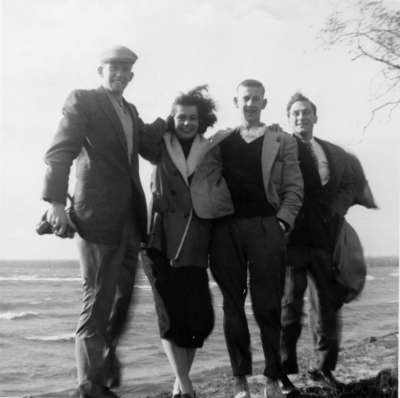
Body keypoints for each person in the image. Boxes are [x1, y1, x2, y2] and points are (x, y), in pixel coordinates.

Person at [41, 46, 165, 398]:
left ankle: (101, 373)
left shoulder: (129, 110)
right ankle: (88, 388)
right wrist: (55, 203)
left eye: (126, 69)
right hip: (96, 218)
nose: (120, 74)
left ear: (133, 75)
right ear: (100, 70)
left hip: (130, 221)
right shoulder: (83, 101)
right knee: (96, 300)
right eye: (114, 67)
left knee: (121, 301)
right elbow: (59, 151)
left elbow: (149, 146)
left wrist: (174, 117)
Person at [208, 80, 303, 398]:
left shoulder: (283, 140)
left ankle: (272, 378)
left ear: (265, 102)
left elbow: (294, 188)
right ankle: (240, 381)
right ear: (236, 101)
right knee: (231, 306)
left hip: (266, 229)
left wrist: (281, 224)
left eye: (256, 99)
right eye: (245, 98)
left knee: (267, 307)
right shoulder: (219, 140)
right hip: (225, 231)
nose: (250, 103)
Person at [143, 86, 226, 398]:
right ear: (172, 118)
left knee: (199, 321)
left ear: (200, 119)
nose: (187, 123)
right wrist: (162, 123)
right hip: (158, 241)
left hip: (194, 241)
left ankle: (180, 384)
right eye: (180, 117)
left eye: (192, 118)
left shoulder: (211, 148)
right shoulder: (159, 145)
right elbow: (140, 138)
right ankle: (186, 388)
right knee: (171, 318)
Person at [280, 92, 357, 394]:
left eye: (306, 112)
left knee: (326, 306)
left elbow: (351, 183)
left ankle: (321, 369)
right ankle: (283, 374)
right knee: (289, 307)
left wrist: (337, 208)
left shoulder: (332, 153)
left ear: (315, 116)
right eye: (296, 113)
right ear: (289, 118)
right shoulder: (281, 148)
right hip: (291, 239)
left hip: (324, 240)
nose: (301, 117)